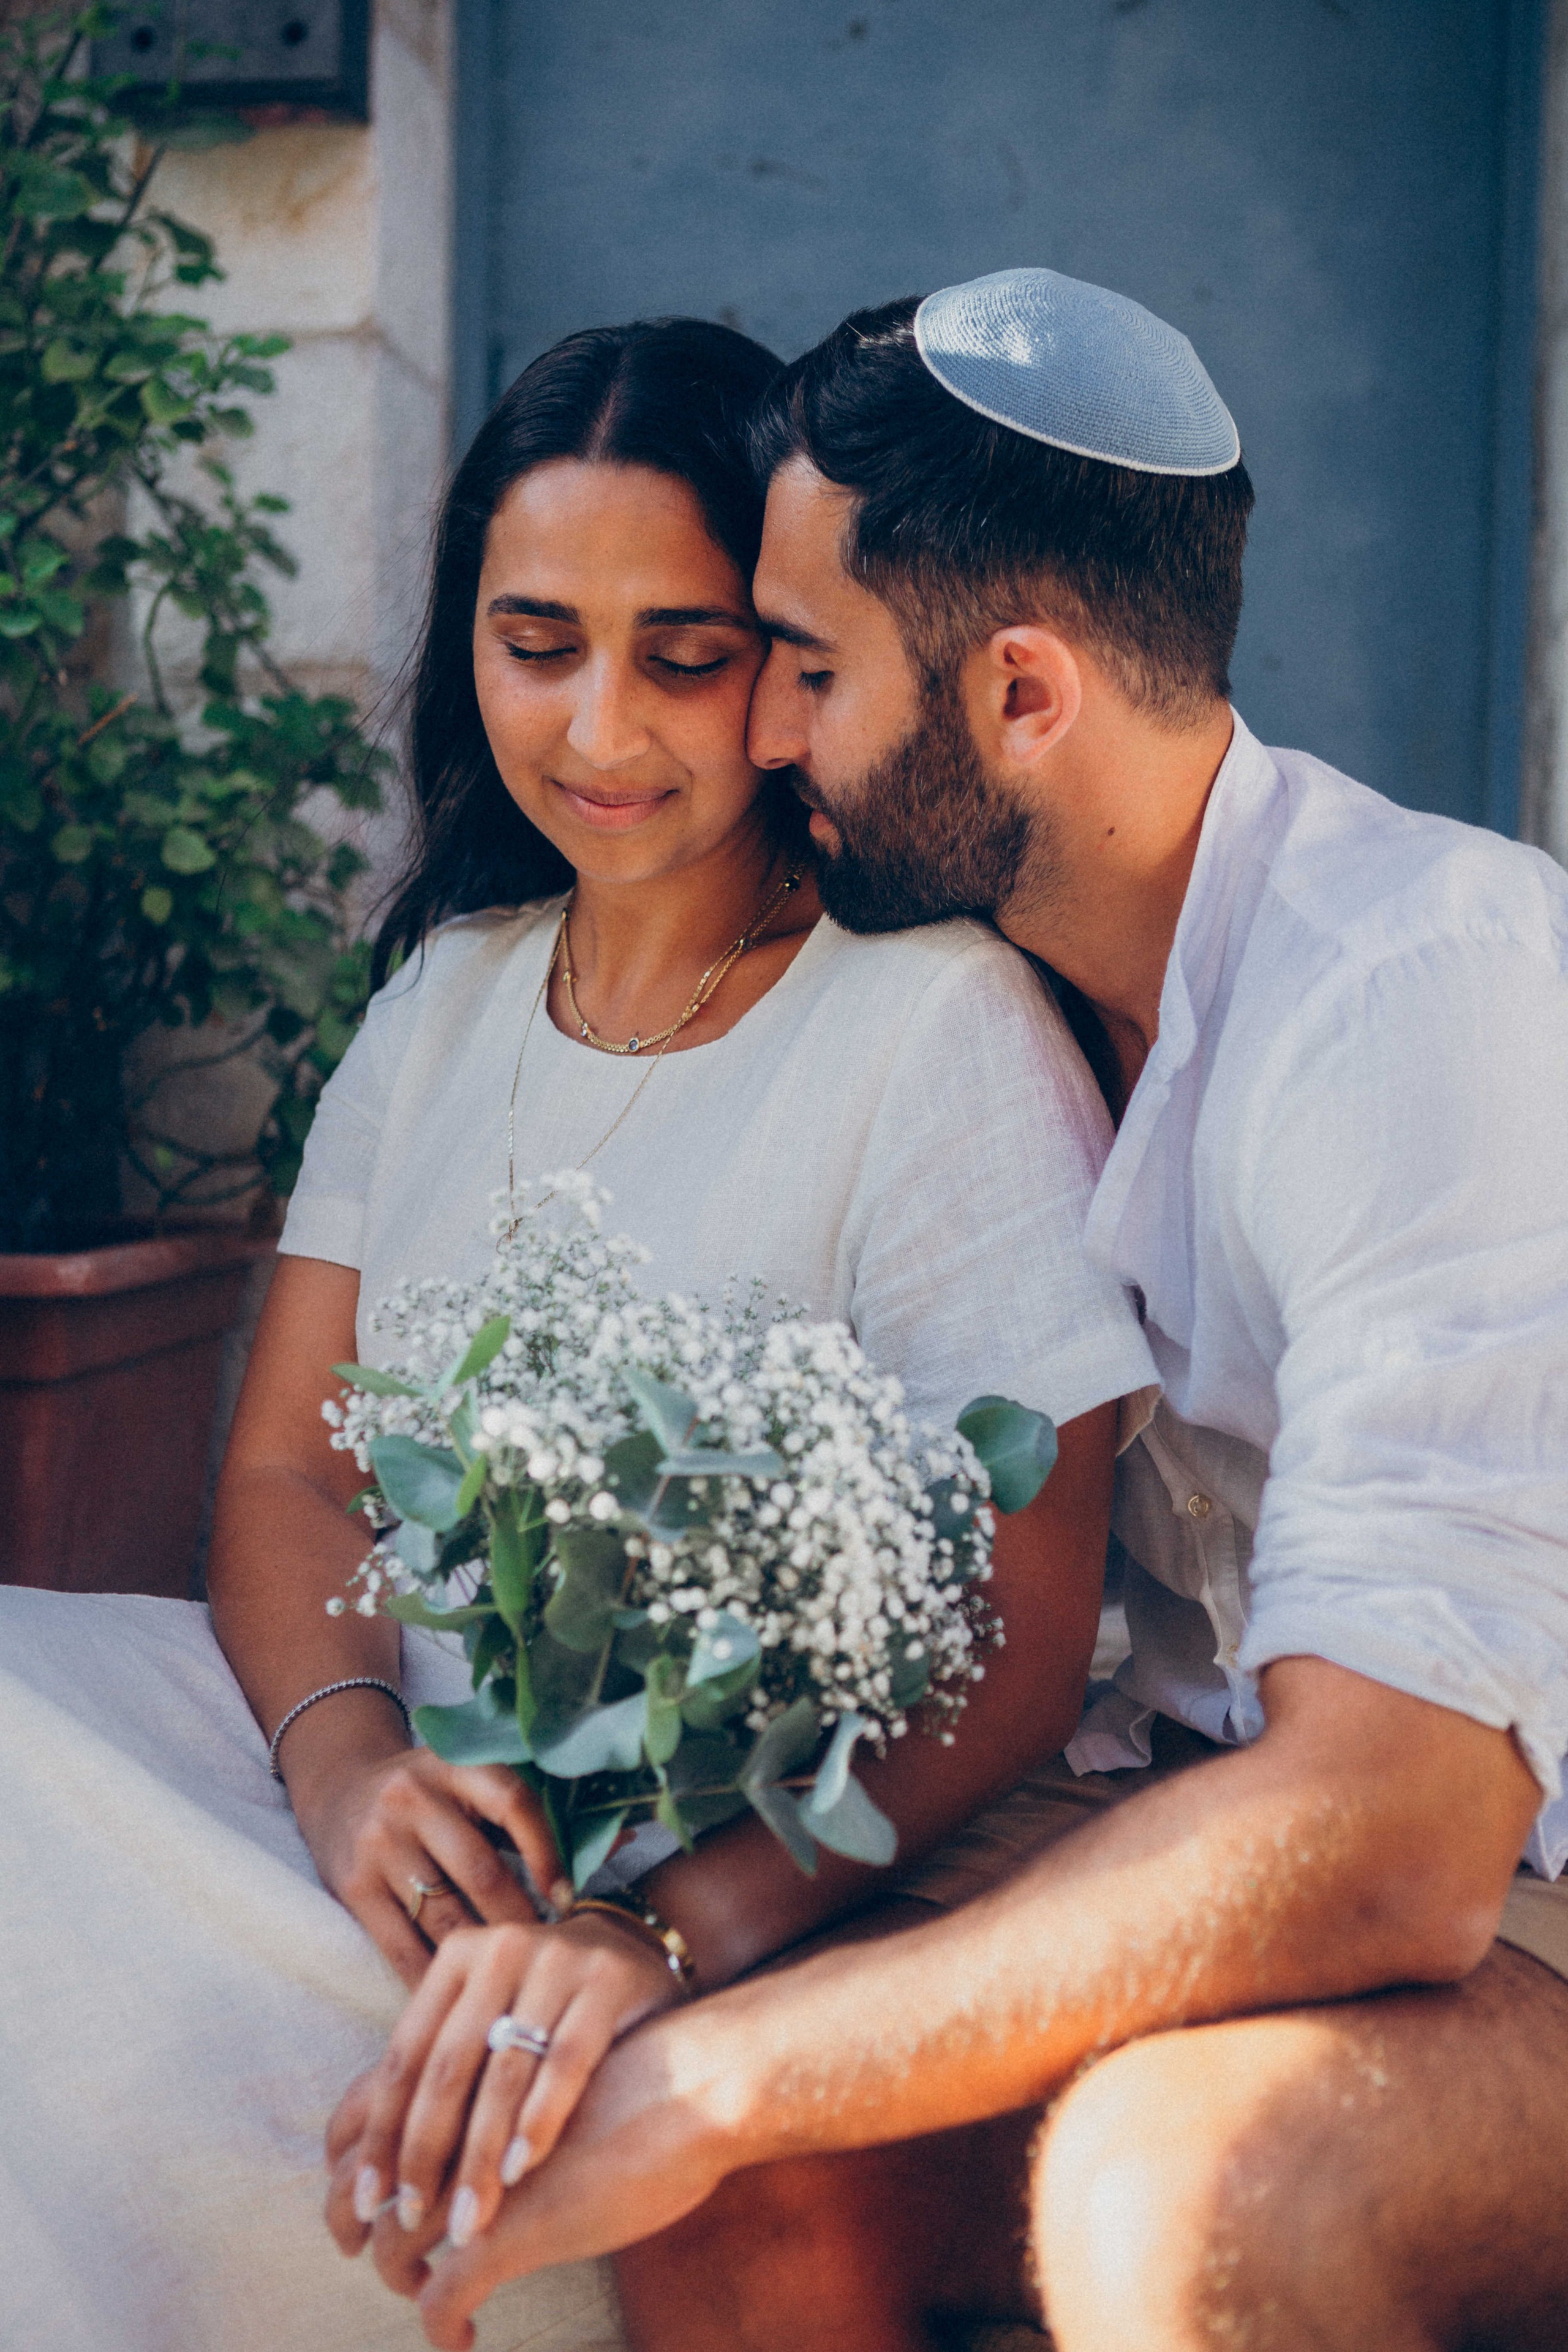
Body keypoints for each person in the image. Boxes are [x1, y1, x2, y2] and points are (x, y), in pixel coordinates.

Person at [333, 273, 1568, 2352]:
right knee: (744, 2196)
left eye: (801, 666)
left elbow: (1403, 1839)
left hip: (1508, 1892)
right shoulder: (1037, 990)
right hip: (1167, 1804)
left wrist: (716, 2060)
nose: (766, 734)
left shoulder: (1416, 989)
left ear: (1017, 696)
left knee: (1176, 2180)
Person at [0, 313, 1157, 2352]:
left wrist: (654, 1920)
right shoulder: (448, 992)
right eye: (538, 643)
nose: (600, 726)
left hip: (712, 1875)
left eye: (684, 653)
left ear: (792, 668)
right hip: (382, 1791)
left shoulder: (934, 1025)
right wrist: (350, 1769)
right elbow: (287, 1470)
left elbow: (1029, 1625)